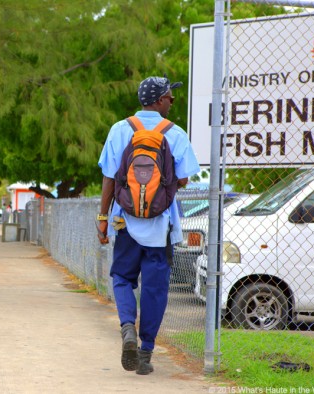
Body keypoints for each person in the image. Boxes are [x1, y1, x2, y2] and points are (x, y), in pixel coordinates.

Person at [97, 75, 200, 375]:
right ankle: (145, 353)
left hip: (124, 222)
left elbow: (108, 178)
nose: (172, 101)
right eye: (170, 96)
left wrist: (103, 219)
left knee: (122, 278)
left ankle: (127, 325)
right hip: (161, 227)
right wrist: (159, 192)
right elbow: (183, 178)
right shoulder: (175, 133)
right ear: (157, 99)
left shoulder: (120, 129)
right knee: (155, 290)